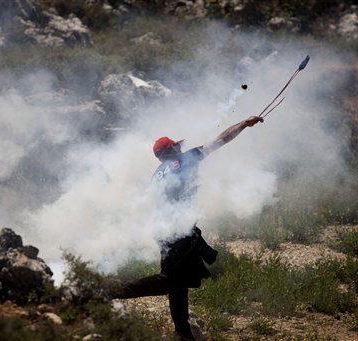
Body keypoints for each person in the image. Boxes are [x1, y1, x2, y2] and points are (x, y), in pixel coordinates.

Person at [112, 115, 264, 340]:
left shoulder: (158, 172)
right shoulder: (185, 159)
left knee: (179, 282)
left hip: (168, 229)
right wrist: (243, 124)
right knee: (170, 280)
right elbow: (221, 140)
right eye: (174, 146)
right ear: (167, 152)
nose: (178, 148)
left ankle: (183, 332)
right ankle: (113, 290)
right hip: (176, 231)